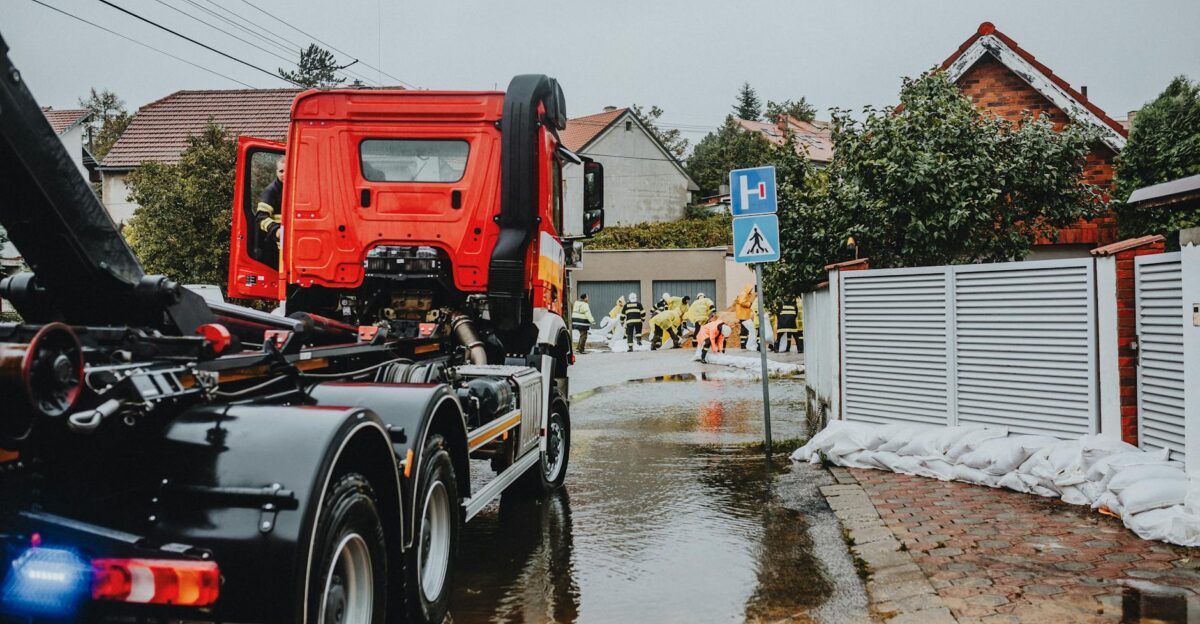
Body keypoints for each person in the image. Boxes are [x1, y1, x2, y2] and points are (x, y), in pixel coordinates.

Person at [251, 156, 285, 264]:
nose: (284, 174)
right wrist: (276, 230)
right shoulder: (270, 191)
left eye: (287, 170)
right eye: (281, 171)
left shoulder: (297, 189)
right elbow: (260, 218)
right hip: (275, 247)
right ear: (276, 172)